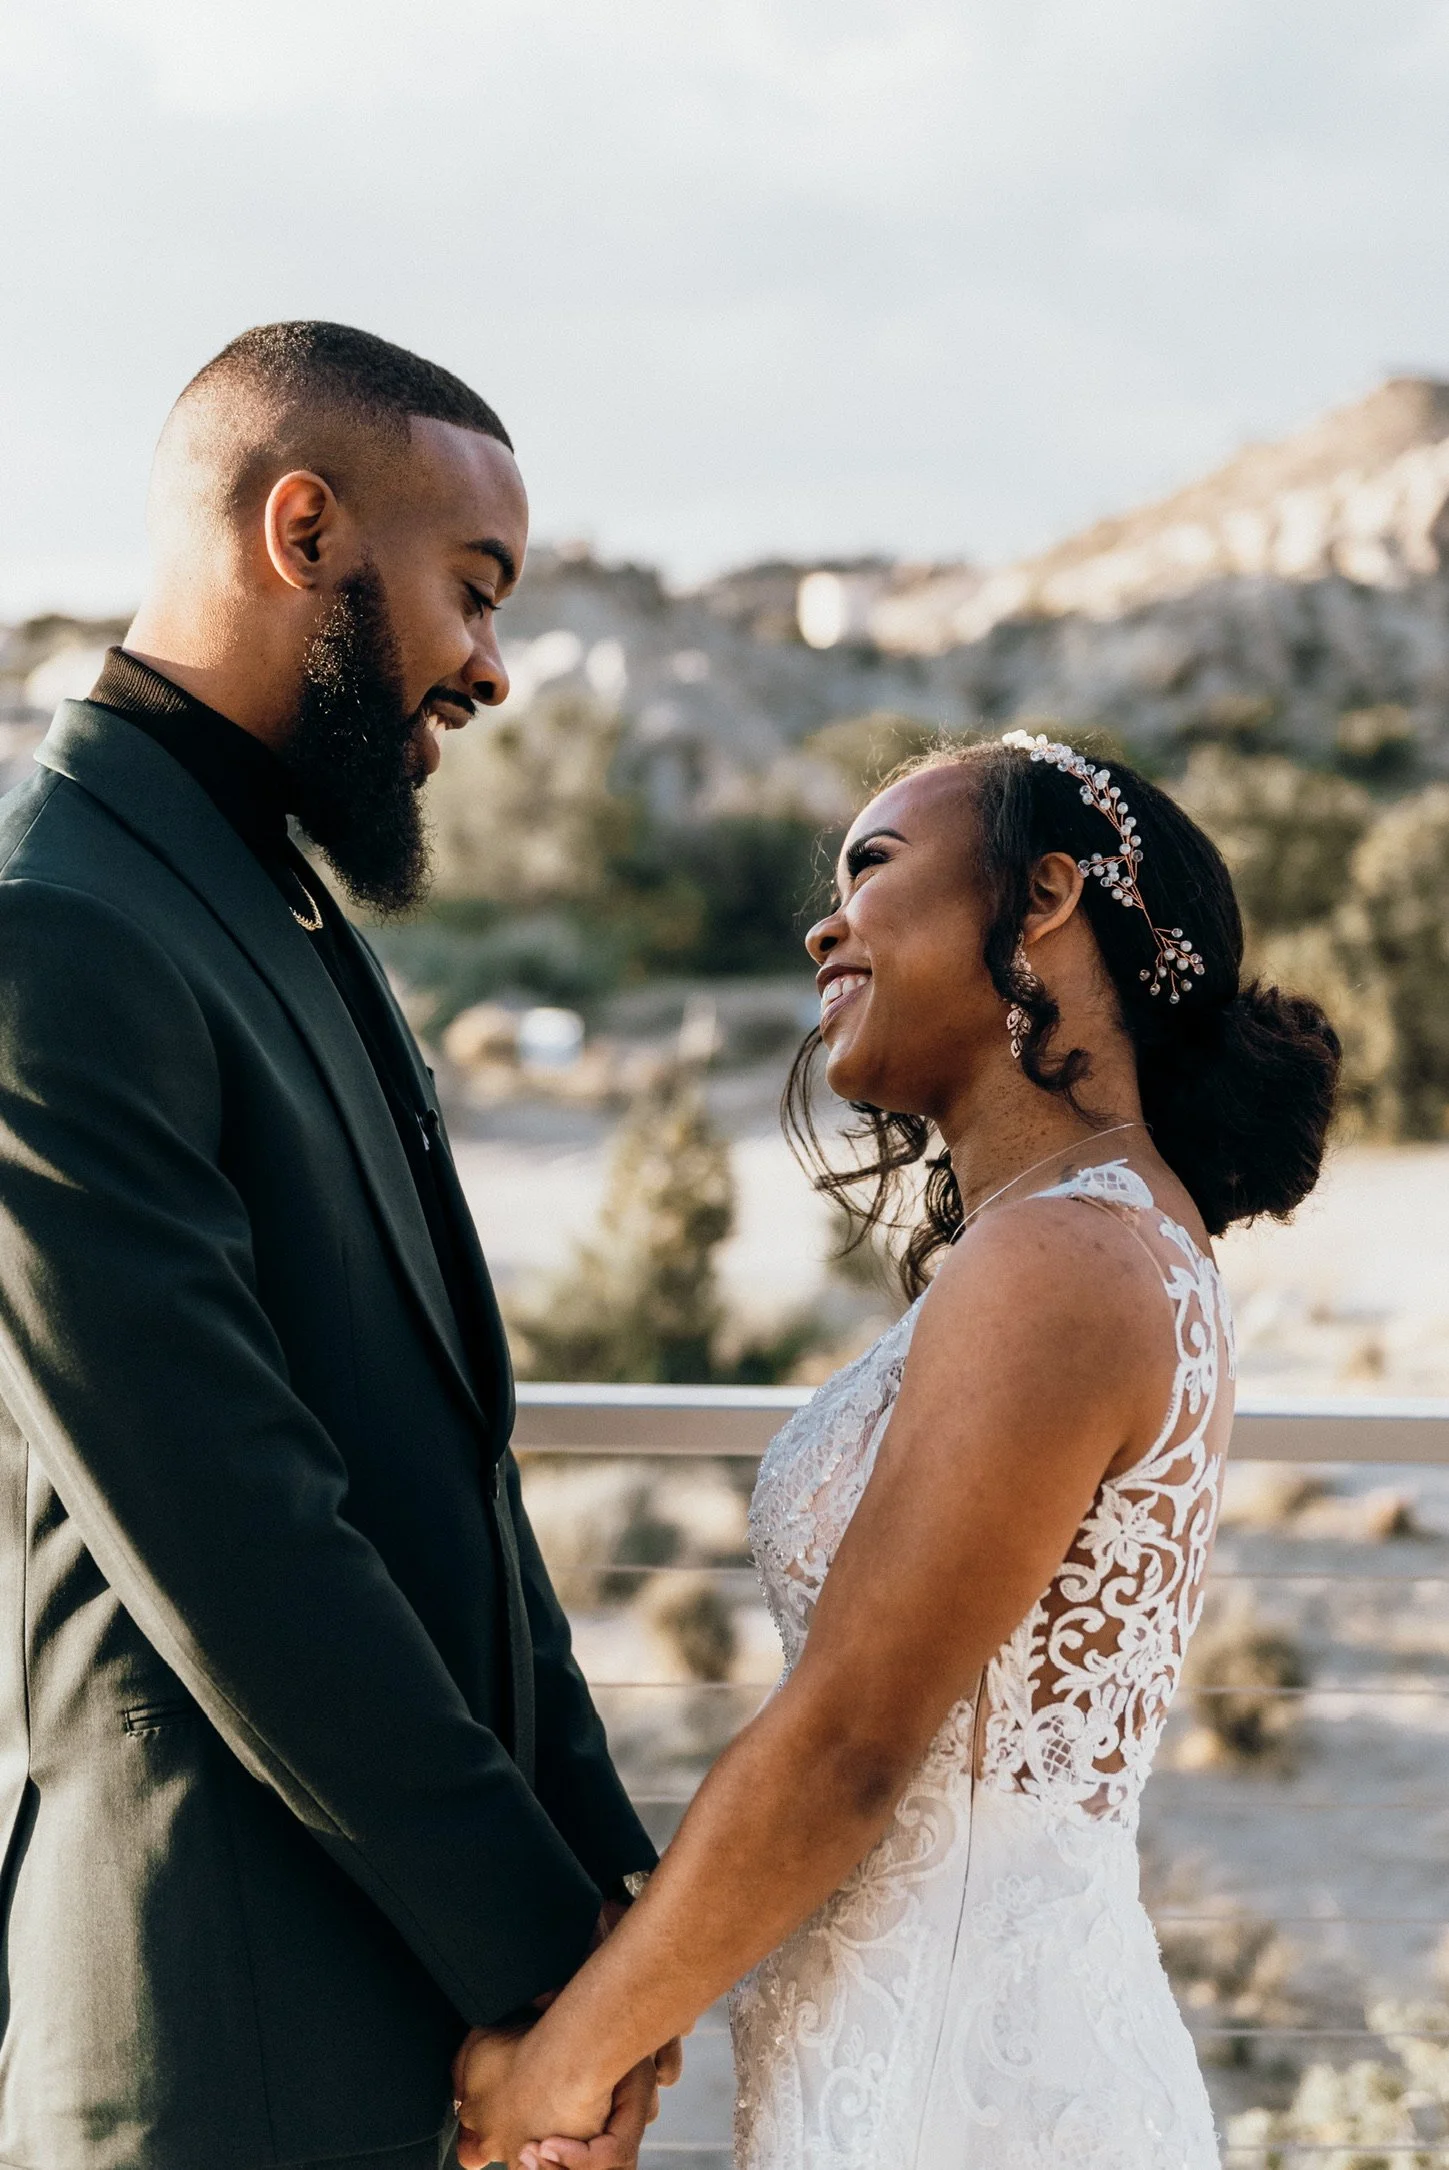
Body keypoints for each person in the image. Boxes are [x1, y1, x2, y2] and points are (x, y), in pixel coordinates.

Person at [451, 730, 1341, 2169]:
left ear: (1045, 895)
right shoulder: (1079, 1235)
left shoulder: (1064, 1256)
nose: (825, 920)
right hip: (915, 2061)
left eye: (874, 865)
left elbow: (852, 1743)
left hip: (967, 2097)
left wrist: (564, 2063)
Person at [0, 322, 671, 2170]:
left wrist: (613, 1895)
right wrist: (557, 1973)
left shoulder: (277, 905)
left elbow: (455, 1470)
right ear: (303, 530)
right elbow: (243, 1540)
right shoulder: (55, 929)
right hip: (214, 2044)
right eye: (473, 590)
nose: (493, 667)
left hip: (395, 2019)